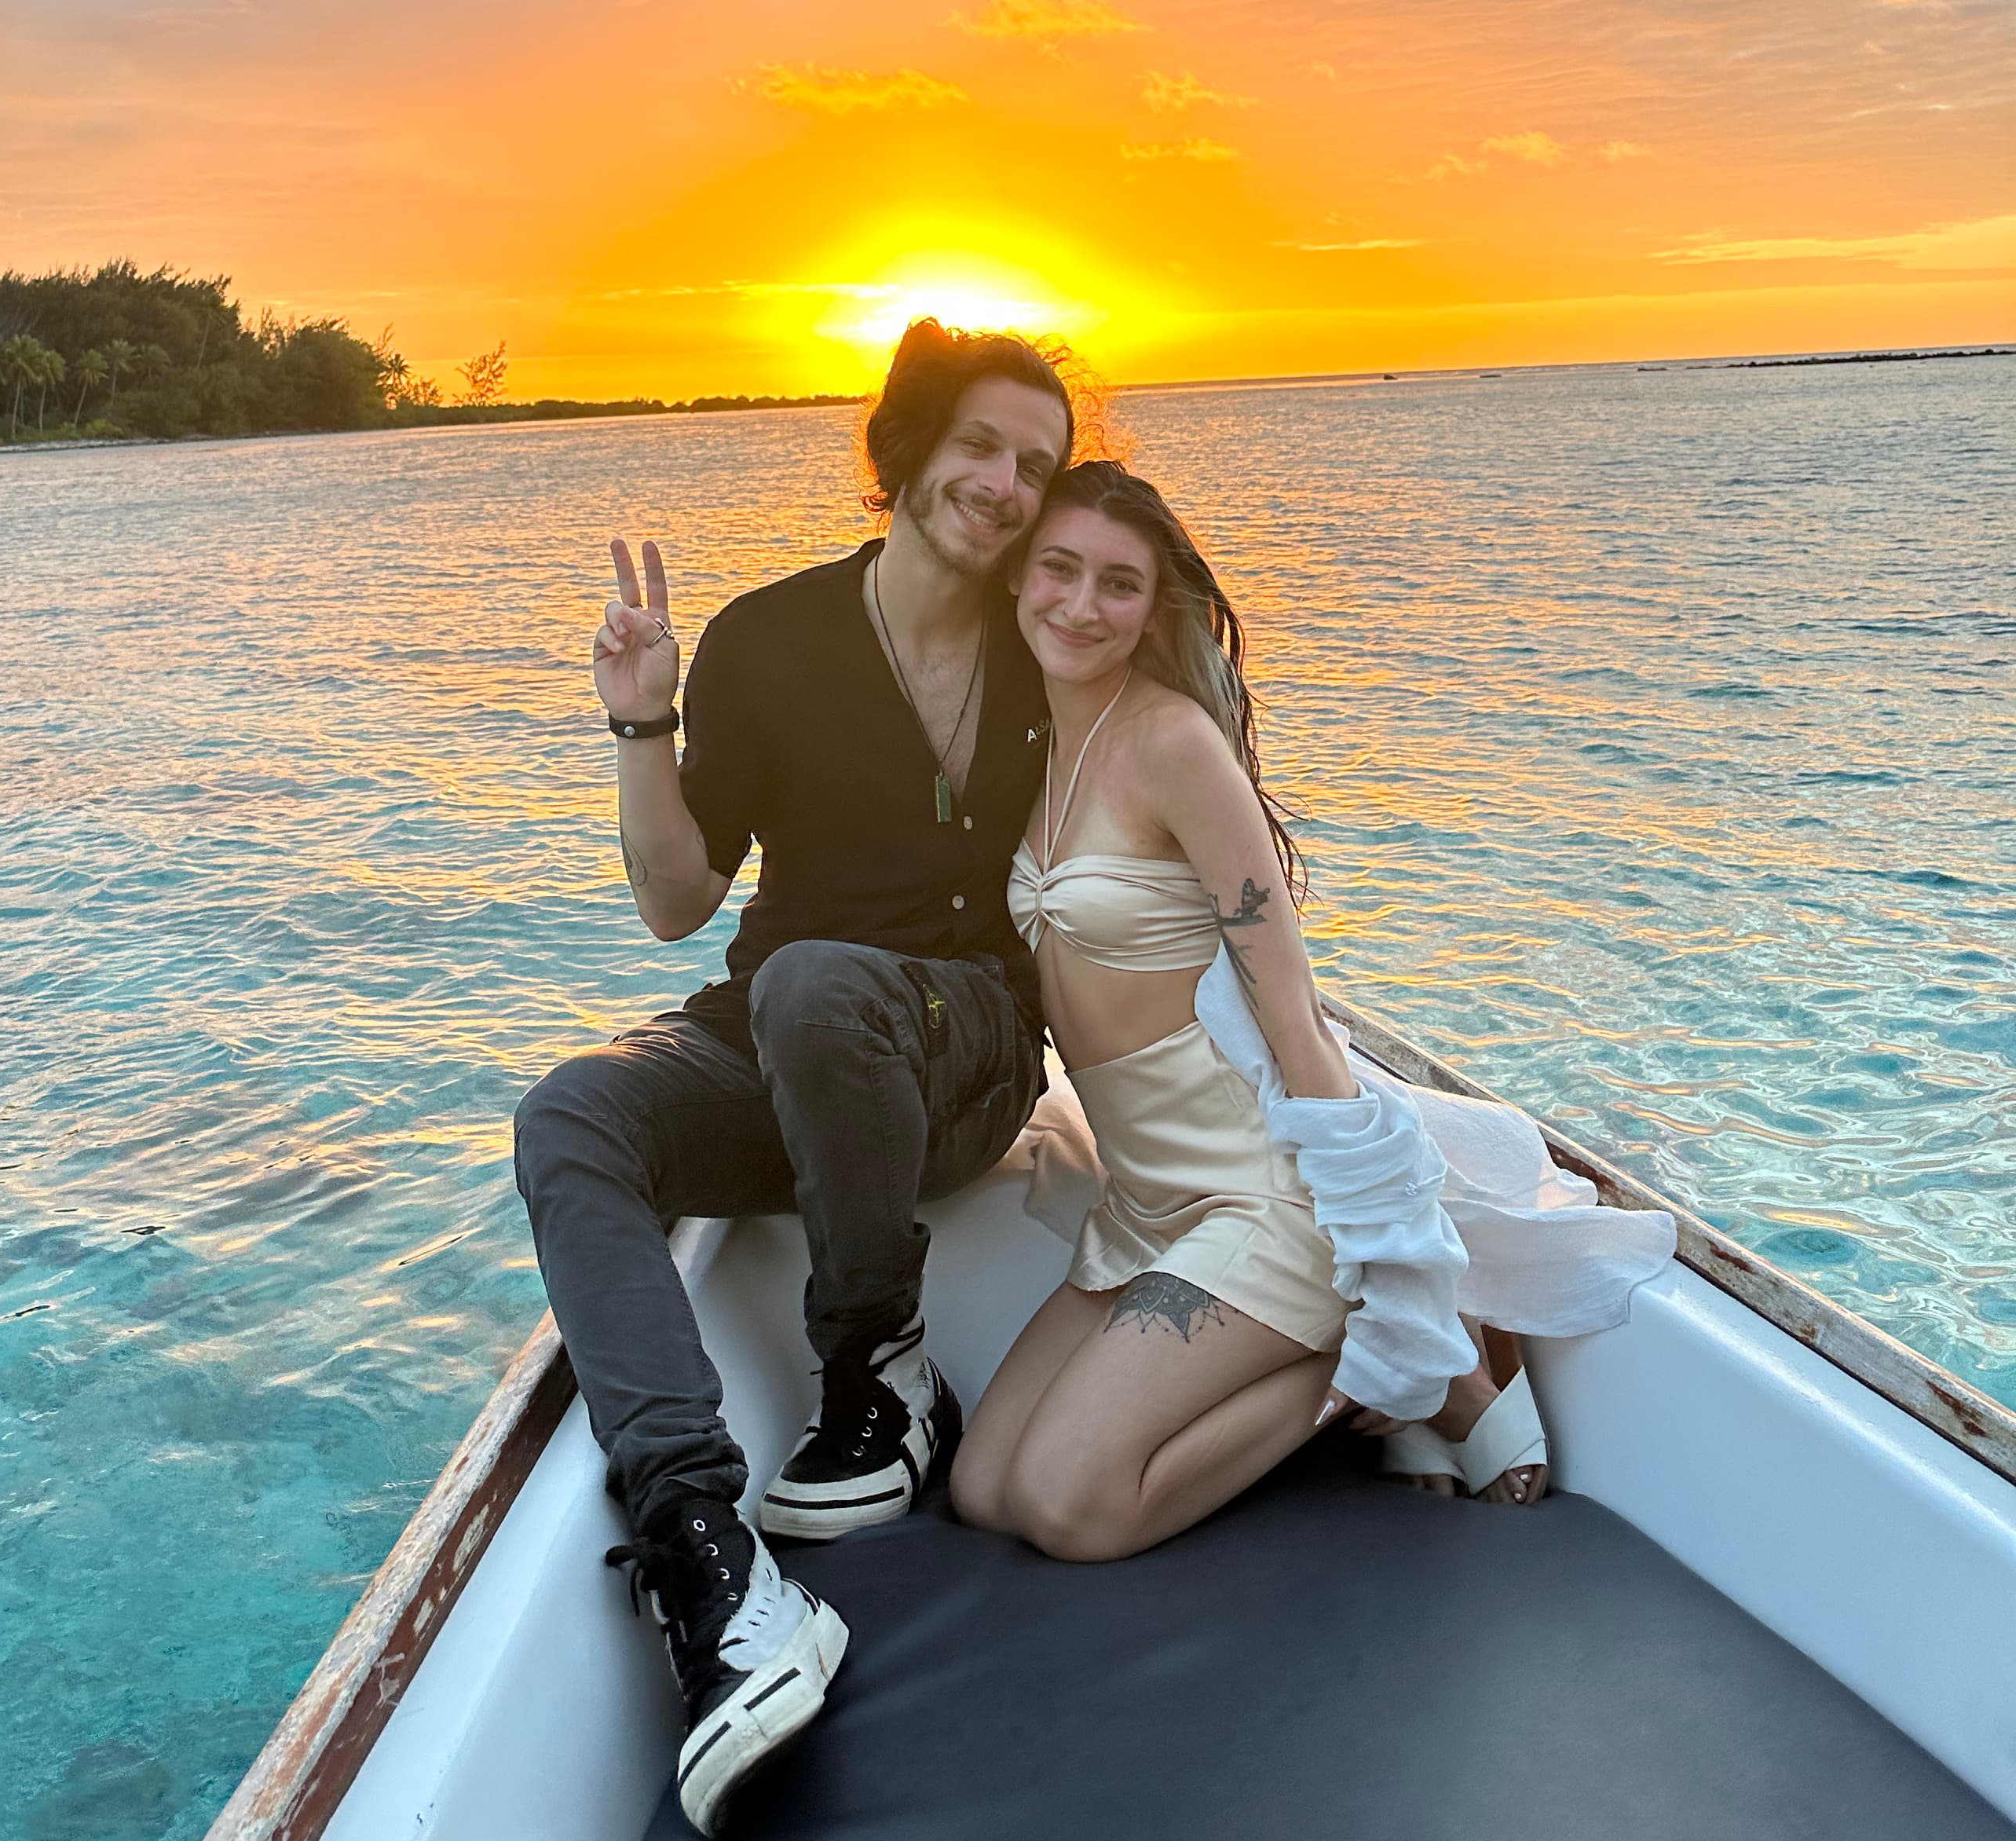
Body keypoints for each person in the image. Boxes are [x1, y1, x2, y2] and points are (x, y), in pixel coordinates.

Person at [513, 320, 1073, 1836]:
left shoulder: (1056, 638)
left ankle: (875, 1363)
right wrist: (645, 718)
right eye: (981, 445)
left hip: (963, 1058)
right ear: (906, 450)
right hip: (783, 1026)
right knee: (574, 1108)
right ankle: (707, 1546)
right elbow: (677, 901)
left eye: (1039, 465)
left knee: (826, 984)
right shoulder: (772, 637)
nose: (1007, 485)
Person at [953, 460, 1546, 1561]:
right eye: (1060, 570)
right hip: (1144, 1205)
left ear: (1155, 605)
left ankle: (1388, 1368)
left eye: (1119, 585)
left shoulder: (1173, 744)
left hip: (1259, 1198)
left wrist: (1391, 1264)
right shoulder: (1029, 748)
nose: (1083, 606)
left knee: (1074, 1508)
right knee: (989, 1490)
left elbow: (1293, 1008)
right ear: (1016, 578)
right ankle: (1369, 1362)